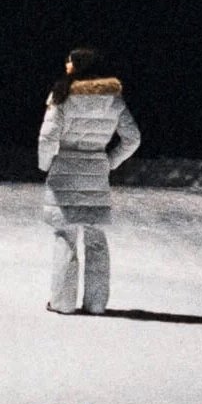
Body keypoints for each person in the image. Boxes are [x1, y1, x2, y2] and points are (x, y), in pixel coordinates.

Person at [37, 46, 141, 314]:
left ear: (79, 66)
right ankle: (96, 304)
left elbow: (47, 138)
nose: (66, 66)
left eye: (70, 62)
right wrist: (110, 161)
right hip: (96, 172)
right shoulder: (113, 99)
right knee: (96, 239)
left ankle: (63, 302)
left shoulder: (62, 95)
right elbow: (133, 139)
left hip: (65, 171)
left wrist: (46, 164)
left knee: (66, 236)